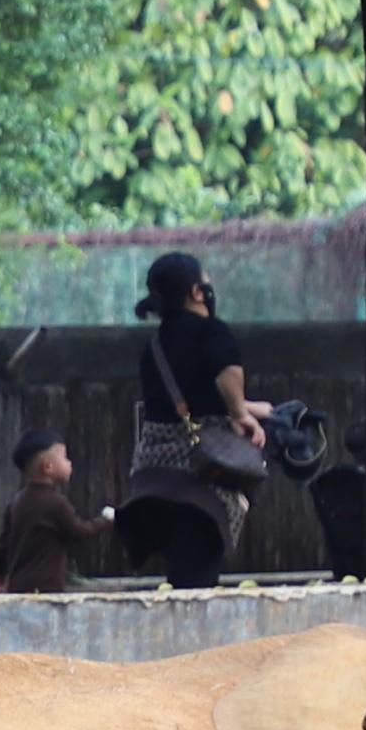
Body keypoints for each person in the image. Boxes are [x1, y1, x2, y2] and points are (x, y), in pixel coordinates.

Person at [118, 250, 265, 584]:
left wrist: (252, 407)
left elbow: (186, 398)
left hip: (152, 476)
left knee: (178, 570)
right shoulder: (211, 330)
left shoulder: (153, 345)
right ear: (196, 292)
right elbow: (226, 372)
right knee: (197, 577)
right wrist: (241, 413)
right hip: (197, 475)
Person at [0, 429, 116, 592]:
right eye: (65, 458)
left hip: (17, 587)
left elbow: (4, 545)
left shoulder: (16, 502)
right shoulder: (56, 503)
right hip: (47, 588)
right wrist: (106, 521)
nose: (70, 463)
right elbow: (80, 531)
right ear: (48, 467)